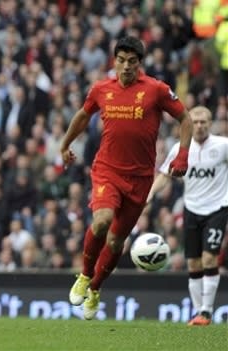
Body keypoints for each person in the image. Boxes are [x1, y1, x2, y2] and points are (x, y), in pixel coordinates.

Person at [60, 36, 193, 320]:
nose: (126, 67)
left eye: (132, 62)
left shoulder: (156, 90)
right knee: (102, 221)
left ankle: (95, 288)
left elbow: (186, 120)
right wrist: (65, 144)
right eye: (121, 61)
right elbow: (83, 116)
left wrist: (182, 155)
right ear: (114, 61)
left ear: (139, 64)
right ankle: (84, 275)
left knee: (116, 242)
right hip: (107, 170)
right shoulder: (100, 89)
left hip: (141, 179)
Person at [147, 106, 228, 326]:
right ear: (189, 124)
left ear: (211, 123)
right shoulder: (180, 148)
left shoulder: (223, 146)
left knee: (209, 258)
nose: (200, 126)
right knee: (192, 264)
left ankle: (207, 312)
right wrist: (150, 194)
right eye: (196, 122)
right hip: (191, 209)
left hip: (218, 208)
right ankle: (198, 313)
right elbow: (165, 175)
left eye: (204, 122)